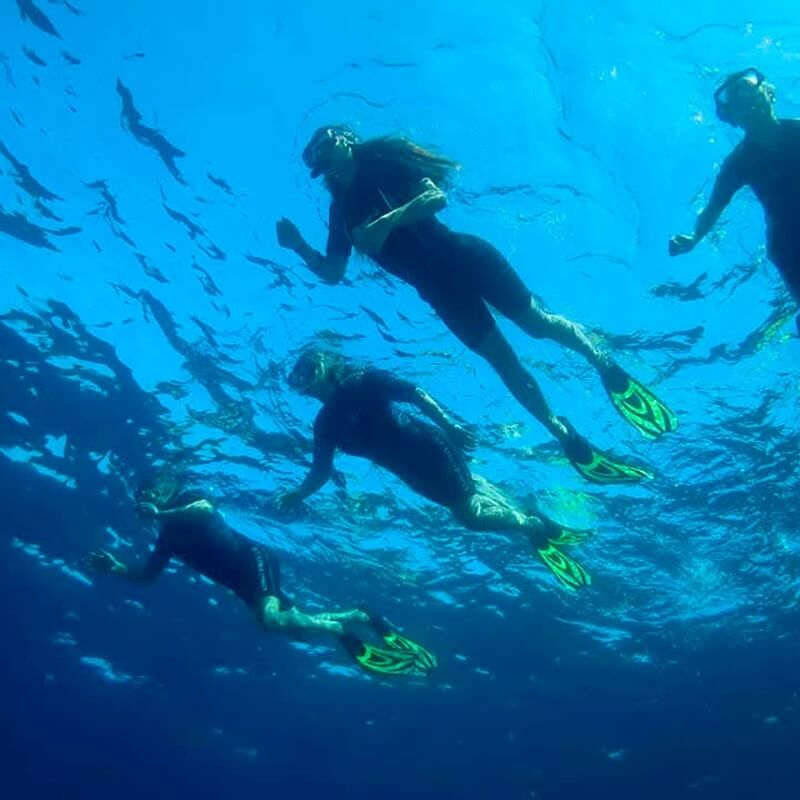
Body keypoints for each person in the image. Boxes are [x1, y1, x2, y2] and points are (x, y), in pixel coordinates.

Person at [276, 125, 677, 485]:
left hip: (466, 256)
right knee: (504, 363)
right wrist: (299, 247)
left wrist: (384, 223)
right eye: (317, 153)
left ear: (347, 139)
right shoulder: (339, 211)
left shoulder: (382, 164)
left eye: (325, 142)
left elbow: (435, 197)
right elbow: (332, 272)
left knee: (536, 324)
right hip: (438, 291)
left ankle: (603, 362)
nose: (324, 153)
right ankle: (562, 432)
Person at [277, 348, 597, 592]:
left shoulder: (363, 382)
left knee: (468, 515)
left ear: (327, 366)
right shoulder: (325, 426)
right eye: (300, 378)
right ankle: (524, 514)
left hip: (429, 450)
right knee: (471, 492)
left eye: (310, 370)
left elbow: (414, 393)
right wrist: (296, 494)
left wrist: (450, 424)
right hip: (411, 473)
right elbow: (319, 473)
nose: (307, 380)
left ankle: (530, 526)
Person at [82, 474, 437, 678]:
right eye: (142, 498)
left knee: (270, 622)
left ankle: (340, 631)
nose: (147, 500)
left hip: (255, 560)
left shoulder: (187, 501)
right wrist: (115, 568)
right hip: (242, 585)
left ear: (164, 491)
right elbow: (146, 575)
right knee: (294, 629)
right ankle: (358, 614)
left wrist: (162, 510)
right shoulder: (166, 540)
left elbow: (205, 509)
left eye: (151, 493)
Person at [670, 68, 800, 334]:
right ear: (732, 119)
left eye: (748, 88)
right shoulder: (739, 163)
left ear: (770, 92)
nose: (746, 100)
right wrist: (695, 237)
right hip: (790, 244)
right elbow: (714, 207)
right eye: (736, 100)